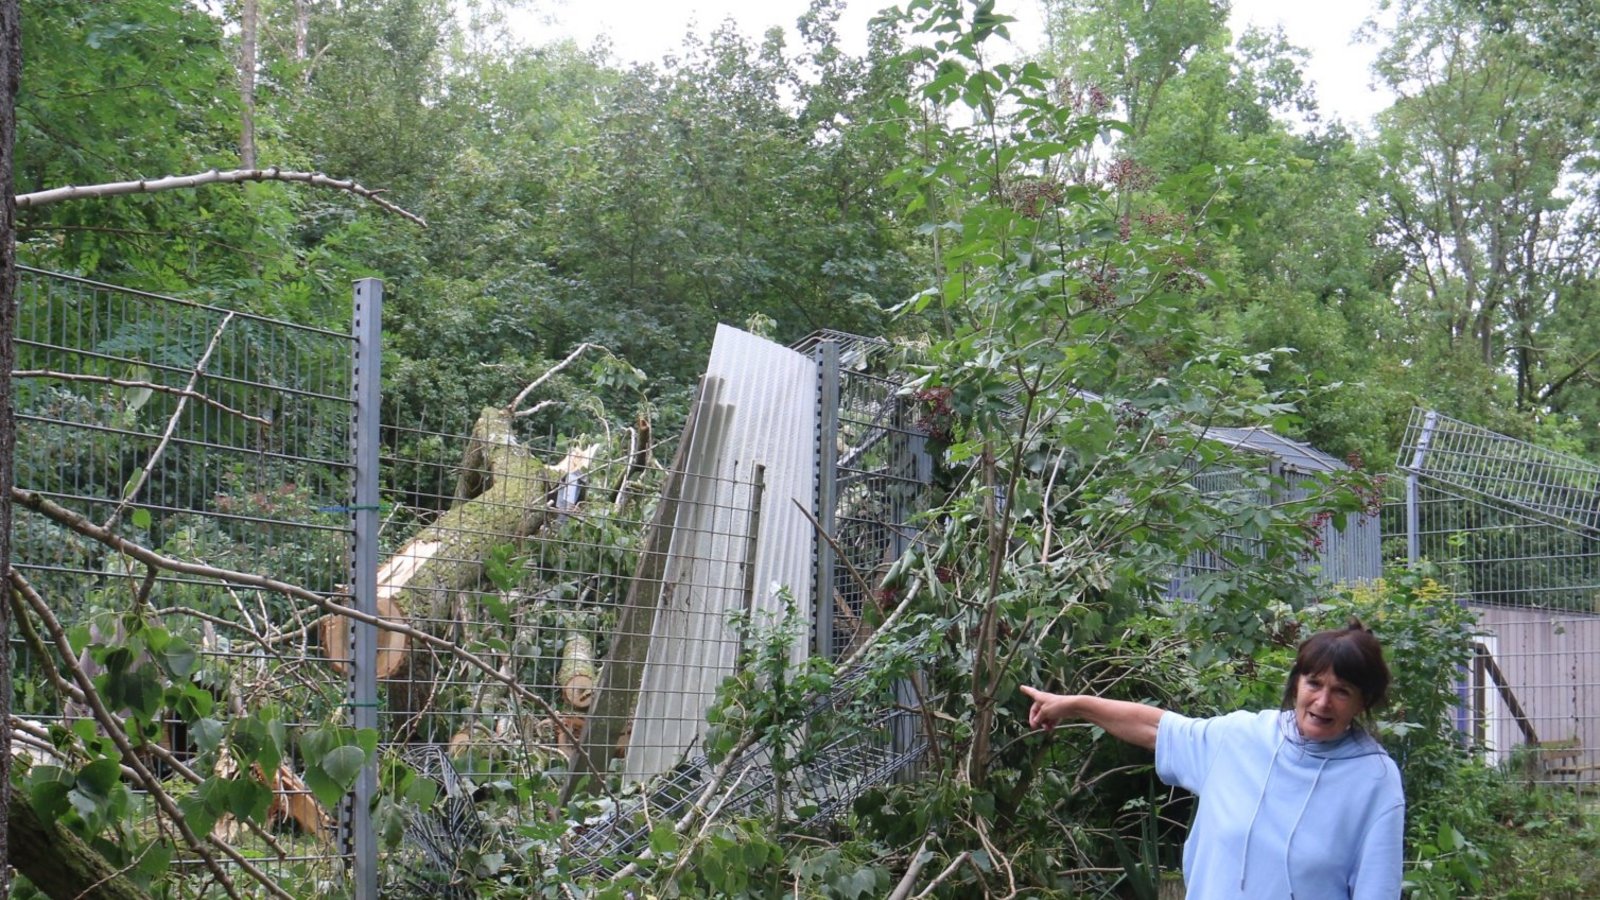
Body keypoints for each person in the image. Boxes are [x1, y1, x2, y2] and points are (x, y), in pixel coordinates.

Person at [1020, 619, 1404, 899]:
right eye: (1314, 684)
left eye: (1342, 691)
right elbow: (1157, 728)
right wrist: (1074, 705)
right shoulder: (1241, 738)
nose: (1322, 702)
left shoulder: (1373, 778)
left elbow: (1377, 889)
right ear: (1296, 683)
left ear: (1363, 702)